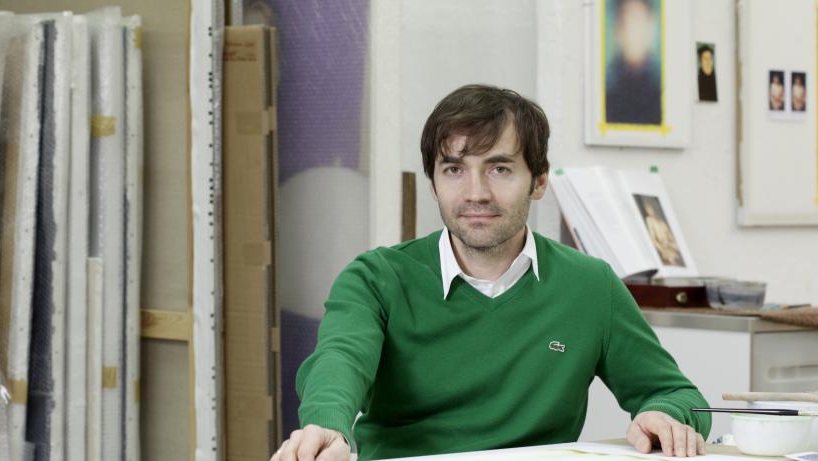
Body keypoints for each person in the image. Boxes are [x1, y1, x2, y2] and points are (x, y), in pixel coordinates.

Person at [275, 85, 710, 461]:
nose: (476, 193)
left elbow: (675, 393)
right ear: (433, 185)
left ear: (539, 181)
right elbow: (340, 360)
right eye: (454, 170)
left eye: (499, 169)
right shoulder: (376, 278)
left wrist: (665, 415)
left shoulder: (591, 285)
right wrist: (327, 425)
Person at [605, 0, 662, 124]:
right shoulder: (605, 95)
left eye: (640, 22)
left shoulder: (664, 93)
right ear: (618, 30)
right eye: (629, 23)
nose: (636, 32)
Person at [639, 197, 684, 267]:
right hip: (662, 247)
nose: (649, 210)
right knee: (671, 258)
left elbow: (670, 237)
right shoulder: (649, 220)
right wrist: (662, 248)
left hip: (669, 244)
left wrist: (671, 243)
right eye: (647, 208)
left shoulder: (662, 221)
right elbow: (653, 239)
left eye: (650, 208)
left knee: (678, 250)